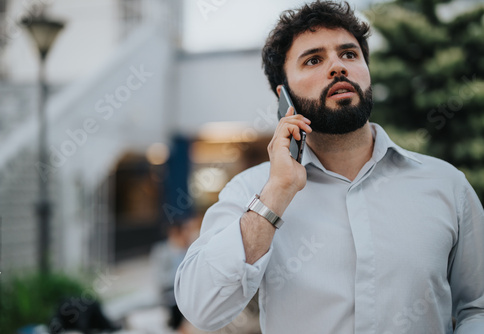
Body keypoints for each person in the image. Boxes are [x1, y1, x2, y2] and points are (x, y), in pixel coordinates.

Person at [174, 1, 484, 333]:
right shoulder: (250, 192)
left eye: (349, 54)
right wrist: (277, 193)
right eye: (314, 60)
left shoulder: (446, 184)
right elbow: (201, 307)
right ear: (284, 97)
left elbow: (477, 306)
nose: (338, 67)